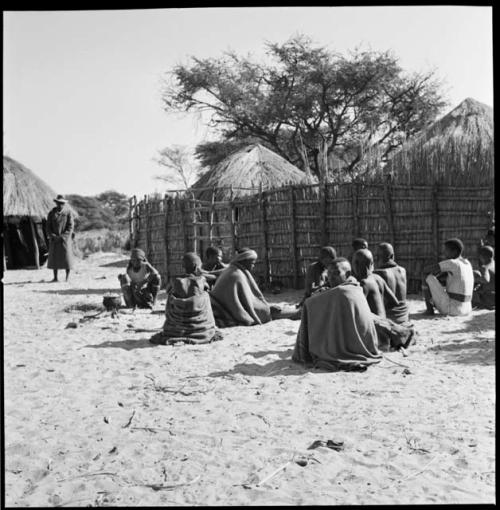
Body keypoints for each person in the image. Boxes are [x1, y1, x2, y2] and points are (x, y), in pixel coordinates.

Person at [292, 258, 382, 371]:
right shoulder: (355, 286)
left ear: (348, 274)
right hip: (366, 344)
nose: (331, 277)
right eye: (328, 274)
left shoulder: (341, 292)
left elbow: (309, 303)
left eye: (336, 273)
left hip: (354, 347)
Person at [150, 252, 222, 345]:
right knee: (205, 295)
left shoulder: (175, 281)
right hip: (199, 327)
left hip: (175, 328)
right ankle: (205, 323)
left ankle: (174, 324)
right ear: (196, 267)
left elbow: (167, 291)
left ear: (183, 266)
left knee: (171, 295)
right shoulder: (201, 280)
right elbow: (213, 277)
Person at [352, 249, 414, 351]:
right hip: (386, 330)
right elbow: (395, 302)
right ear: (372, 263)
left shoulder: (363, 284)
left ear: (355, 264)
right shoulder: (378, 278)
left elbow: (357, 310)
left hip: (376, 335)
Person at [209, 247, 272, 327]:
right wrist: (265, 308)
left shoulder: (232, 269)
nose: (253, 266)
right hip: (224, 310)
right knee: (266, 312)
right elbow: (248, 305)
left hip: (220, 306)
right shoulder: (237, 275)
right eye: (252, 263)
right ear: (244, 261)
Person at [422, 238, 474, 316]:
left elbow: (426, 270)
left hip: (453, 310)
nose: (444, 252)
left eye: (446, 250)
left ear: (454, 251)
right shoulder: (467, 263)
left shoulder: (452, 263)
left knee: (425, 275)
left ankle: (429, 310)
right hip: (467, 309)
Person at [374, 242, 409, 323]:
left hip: (389, 318)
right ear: (392, 256)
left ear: (377, 258)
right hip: (404, 316)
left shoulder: (378, 274)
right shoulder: (403, 270)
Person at [46, 195, 75, 282]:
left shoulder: (68, 213)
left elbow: (70, 227)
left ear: (64, 204)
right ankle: (55, 277)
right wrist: (52, 236)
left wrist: (63, 236)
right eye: (58, 203)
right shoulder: (51, 213)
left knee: (67, 258)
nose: (60, 205)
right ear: (56, 203)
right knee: (54, 258)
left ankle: (67, 277)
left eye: (62, 203)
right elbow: (48, 226)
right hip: (54, 239)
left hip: (65, 240)